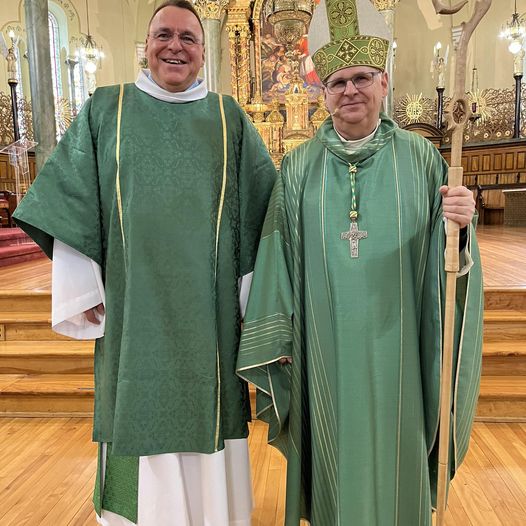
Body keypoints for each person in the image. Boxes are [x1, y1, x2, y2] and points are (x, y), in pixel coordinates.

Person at [13, 1, 276, 524]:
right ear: (146, 46)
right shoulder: (105, 109)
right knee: (136, 409)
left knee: (212, 414)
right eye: (163, 35)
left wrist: (258, 307)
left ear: (203, 53)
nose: (175, 46)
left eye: (188, 38)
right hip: (134, 313)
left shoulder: (230, 120)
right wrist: (83, 286)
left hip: (212, 320)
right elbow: (70, 197)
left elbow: (266, 215)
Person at [236, 1, 483, 525]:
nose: (350, 90)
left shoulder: (421, 159)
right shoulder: (298, 169)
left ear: (385, 82)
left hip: (403, 355)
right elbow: (276, 258)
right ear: (322, 91)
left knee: (399, 460)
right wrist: (276, 340)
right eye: (338, 81)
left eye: (362, 78)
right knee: (333, 462)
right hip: (325, 354)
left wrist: (459, 228)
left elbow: (452, 267)